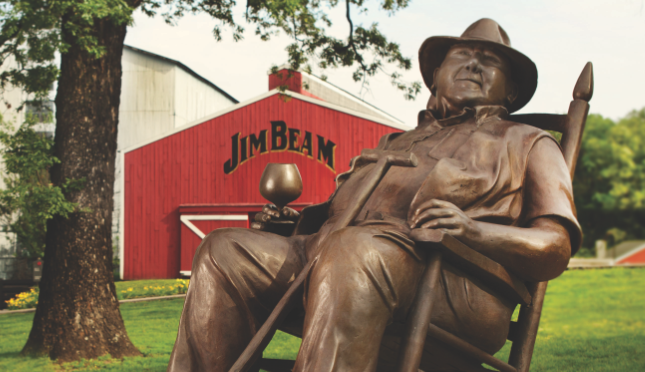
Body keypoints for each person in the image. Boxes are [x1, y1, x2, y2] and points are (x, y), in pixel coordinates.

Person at [168, 18, 581, 372]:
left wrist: (472, 230)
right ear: (436, 75)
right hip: (334, 260)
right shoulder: (395, 141)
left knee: (355, 251)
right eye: (461, 55)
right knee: (225, 250)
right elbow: (337, 216)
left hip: (452, 283)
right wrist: (289, 224)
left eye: (490, 60)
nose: (473, 63)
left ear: (509, 91)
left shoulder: (527, 142)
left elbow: (555, 246)